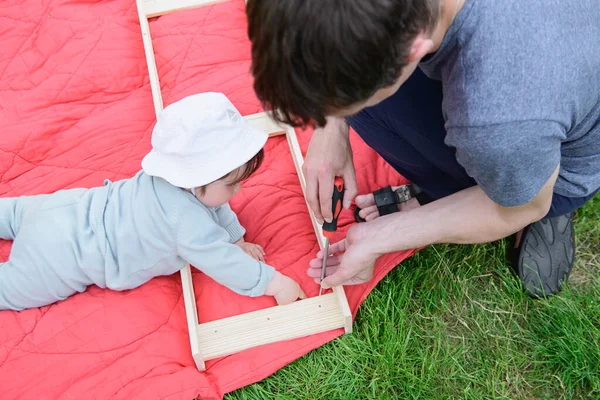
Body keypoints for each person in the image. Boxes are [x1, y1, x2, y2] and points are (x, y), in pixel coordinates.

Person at [245, 0, 600, 297]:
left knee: (379, 114)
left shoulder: (494, 117)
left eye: (338, 109)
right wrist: (332, 129)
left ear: (415, 50)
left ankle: (527, 190)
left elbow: (522, 207)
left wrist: (380, 237)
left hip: (554, 161)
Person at [0, 92, 306, 311]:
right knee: (8, 289)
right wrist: (274, 283)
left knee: (13, 212)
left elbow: (216, 204)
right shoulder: (187, 225)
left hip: (64, 208)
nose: (238, 190)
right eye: (232, 183)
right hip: (61, 260)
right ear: (196, 179)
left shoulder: (175, 176)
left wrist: (236, 238)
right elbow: (222, 261)